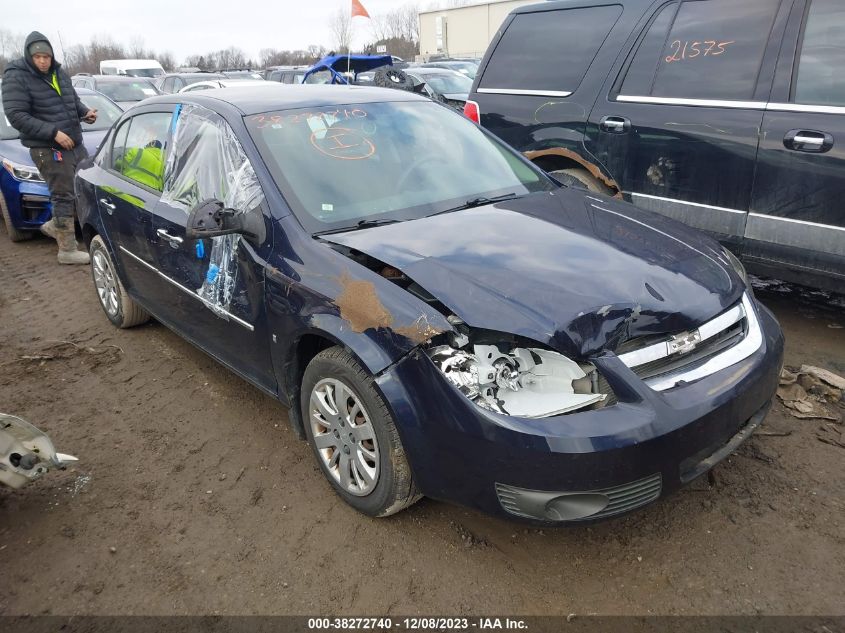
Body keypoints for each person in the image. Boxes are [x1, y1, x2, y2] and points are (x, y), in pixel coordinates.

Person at [2, 31, 97, 264]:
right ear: (29, 56)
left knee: (84, 187)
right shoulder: (17, 77)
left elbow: (72, 101)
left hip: (75, 143)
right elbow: (16, 115)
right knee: (63, 195)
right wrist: (53, 133)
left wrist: (85, 112)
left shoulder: (60, 73)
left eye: (46, 56)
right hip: (47, 148)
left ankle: (58, 226)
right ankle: (67, 250)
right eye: (38, 57)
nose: (43, 61)